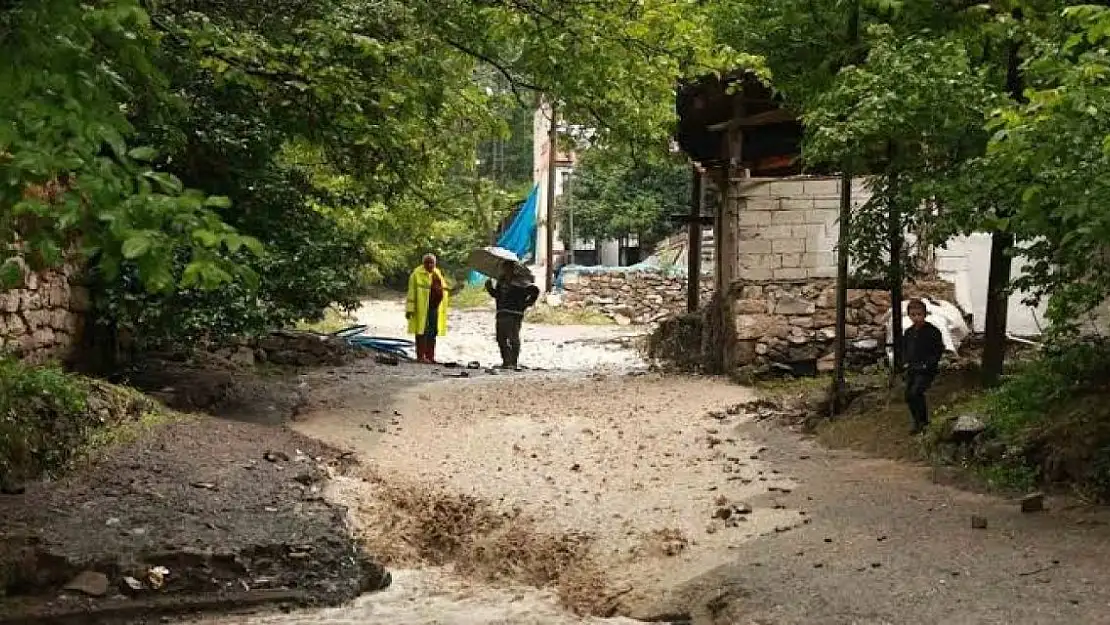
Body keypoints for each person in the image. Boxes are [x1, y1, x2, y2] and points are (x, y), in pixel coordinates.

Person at [485, 260, 540, 369]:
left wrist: (526, 304)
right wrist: (490, 288)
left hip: (515, 313)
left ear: (513, 269)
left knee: (513, 337)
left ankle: (513, 361)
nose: (505, 270)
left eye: (507, 268)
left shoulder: (520, 281)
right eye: (504, 268)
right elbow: (497, 295)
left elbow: (535, 291)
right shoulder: (501, 281)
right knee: (500, 338)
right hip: (501, 312)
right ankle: (506, 361)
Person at [903, 298, 945, 435]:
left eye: (919, 314)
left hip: (926, 369)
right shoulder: (909, 332)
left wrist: (928, 364)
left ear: (925, 314)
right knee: (909, 395)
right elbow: (905, 350)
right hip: (912, 368)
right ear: (909, 315)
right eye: (913, 315)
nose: (916, 318)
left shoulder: (932, 332)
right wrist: (906, 362)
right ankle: (917, 421)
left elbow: (938, 350)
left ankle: (924, 422)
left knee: (917, 392)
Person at [406, 253, 449, 363]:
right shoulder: (416, 274)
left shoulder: (437, 273)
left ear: (435, 263)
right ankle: (420, 356)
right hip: (421, 308)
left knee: (433, 331)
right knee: (421, 331)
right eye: (427, 263)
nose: (430, 265)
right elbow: (411, 293)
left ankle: (430, 356)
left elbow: (444, 290)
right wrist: (409, 309)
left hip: (434, 307)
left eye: (432, 263)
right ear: (423, 263)